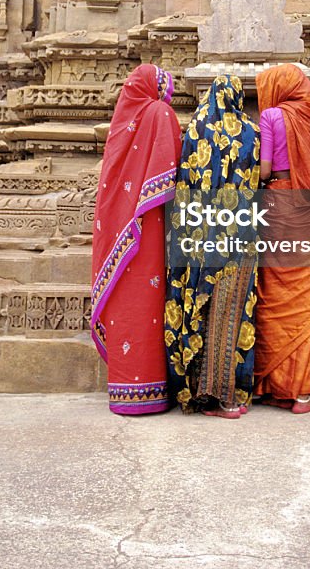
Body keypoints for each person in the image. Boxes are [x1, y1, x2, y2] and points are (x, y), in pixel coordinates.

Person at [166, 76, 260, 419]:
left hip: (199, 238)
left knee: (197, 308)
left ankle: (199, 390)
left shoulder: (194, 130)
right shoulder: (252, 132)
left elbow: (184, 183)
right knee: (231, 310)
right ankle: (226, 396)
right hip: (239, 237)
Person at [91, 65, 181, 415]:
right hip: (149, 222)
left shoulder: (121, 120)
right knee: (146, 300)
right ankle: (150, 392)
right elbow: (173, 163)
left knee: (126, 304)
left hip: (118, 227)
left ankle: (125, 390)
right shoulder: (159, 112)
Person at [253, 64, 310, 414]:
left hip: (278, 202)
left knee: (274, 292)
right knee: (305, 298)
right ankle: (301, 393)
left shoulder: (272, 116)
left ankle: (272, 384)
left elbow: (263, 169)